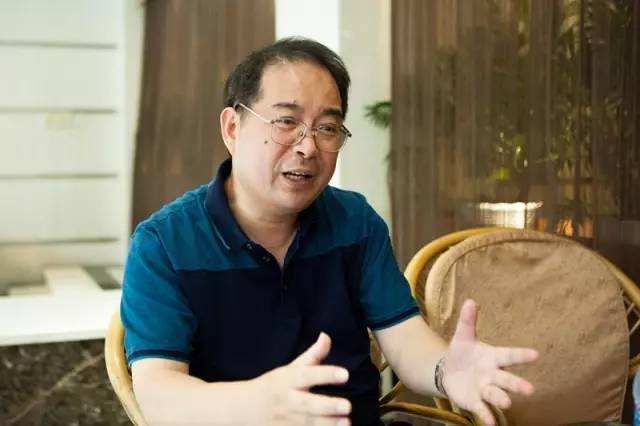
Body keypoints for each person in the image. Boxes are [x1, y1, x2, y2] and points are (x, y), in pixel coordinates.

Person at [121, 37, 538, 426]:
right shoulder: (164, 244)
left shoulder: (354, 222)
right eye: (286, 121)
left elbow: (405, 342)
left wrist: (446, 370)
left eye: (327, 128)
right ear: (233, 128)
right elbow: (159, 395)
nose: (308, 147)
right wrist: (255, 403)